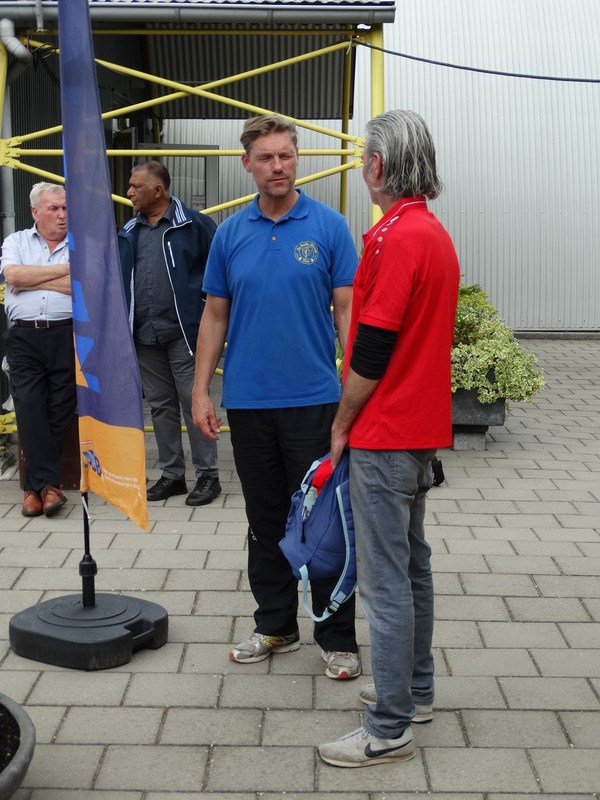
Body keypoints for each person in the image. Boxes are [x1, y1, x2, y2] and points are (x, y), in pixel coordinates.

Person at [192, 114, 360, 680]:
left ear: (297, 158)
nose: (278, 166)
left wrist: (355, 389)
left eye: (286, 155)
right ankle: (276, 626)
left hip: (315, 400)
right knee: (264, 521)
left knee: (324, 521)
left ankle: (336, 637)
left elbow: (347, 311)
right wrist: (201, 391)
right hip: (248, 402)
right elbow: (215, 315)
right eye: (265, 157)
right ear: (247, 164)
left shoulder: (329, 227)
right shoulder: (230, 234)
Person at [318, 110, 460, 766]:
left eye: (363, 159)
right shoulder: (432, 232)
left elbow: (372, 347)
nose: (361, 168)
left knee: (385, 581)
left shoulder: (392, 238)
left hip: (384, 431)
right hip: (420, 428)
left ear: (377, 165)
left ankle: (389, 726)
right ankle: (416, 691)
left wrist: (341, 423)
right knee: (412, 567)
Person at [118, 161, 221, 506]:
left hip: (184, 333)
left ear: (158, 190)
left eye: (136, 186)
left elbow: (219, 274)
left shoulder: (194, 225)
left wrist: (203, 313)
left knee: (194, 402)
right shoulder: (129, 230)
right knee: (161, 407)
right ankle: (173, 475)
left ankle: (208, 476)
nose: (129, 192)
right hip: (144, 334)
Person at [1, 182, 75, 517]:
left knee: (60, 407)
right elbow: (13, 274)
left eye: (65, 208)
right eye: (54, 208)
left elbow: (86, 285)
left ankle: (35, 488)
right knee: (29, 407)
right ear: (35, 211)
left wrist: (34, 278)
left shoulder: (80, 243)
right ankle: (47, 487)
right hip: (25, 337)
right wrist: (66, 272)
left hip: (67, 334)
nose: (62, 215)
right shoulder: (16, 241)